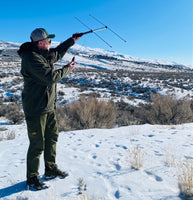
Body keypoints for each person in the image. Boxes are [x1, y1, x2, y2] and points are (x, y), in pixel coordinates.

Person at [18, 28, 81, 190]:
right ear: (40, 43)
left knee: (52, 138)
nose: (50, 44)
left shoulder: (42, 54)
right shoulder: (31, 59)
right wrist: (68, 68)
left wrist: (72, 40)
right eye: (49, 41)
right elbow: (50, 78)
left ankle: (50, 169)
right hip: (36, 109)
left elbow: (57, 53)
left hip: (48, 107)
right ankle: (32, 178)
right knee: (37, 144)